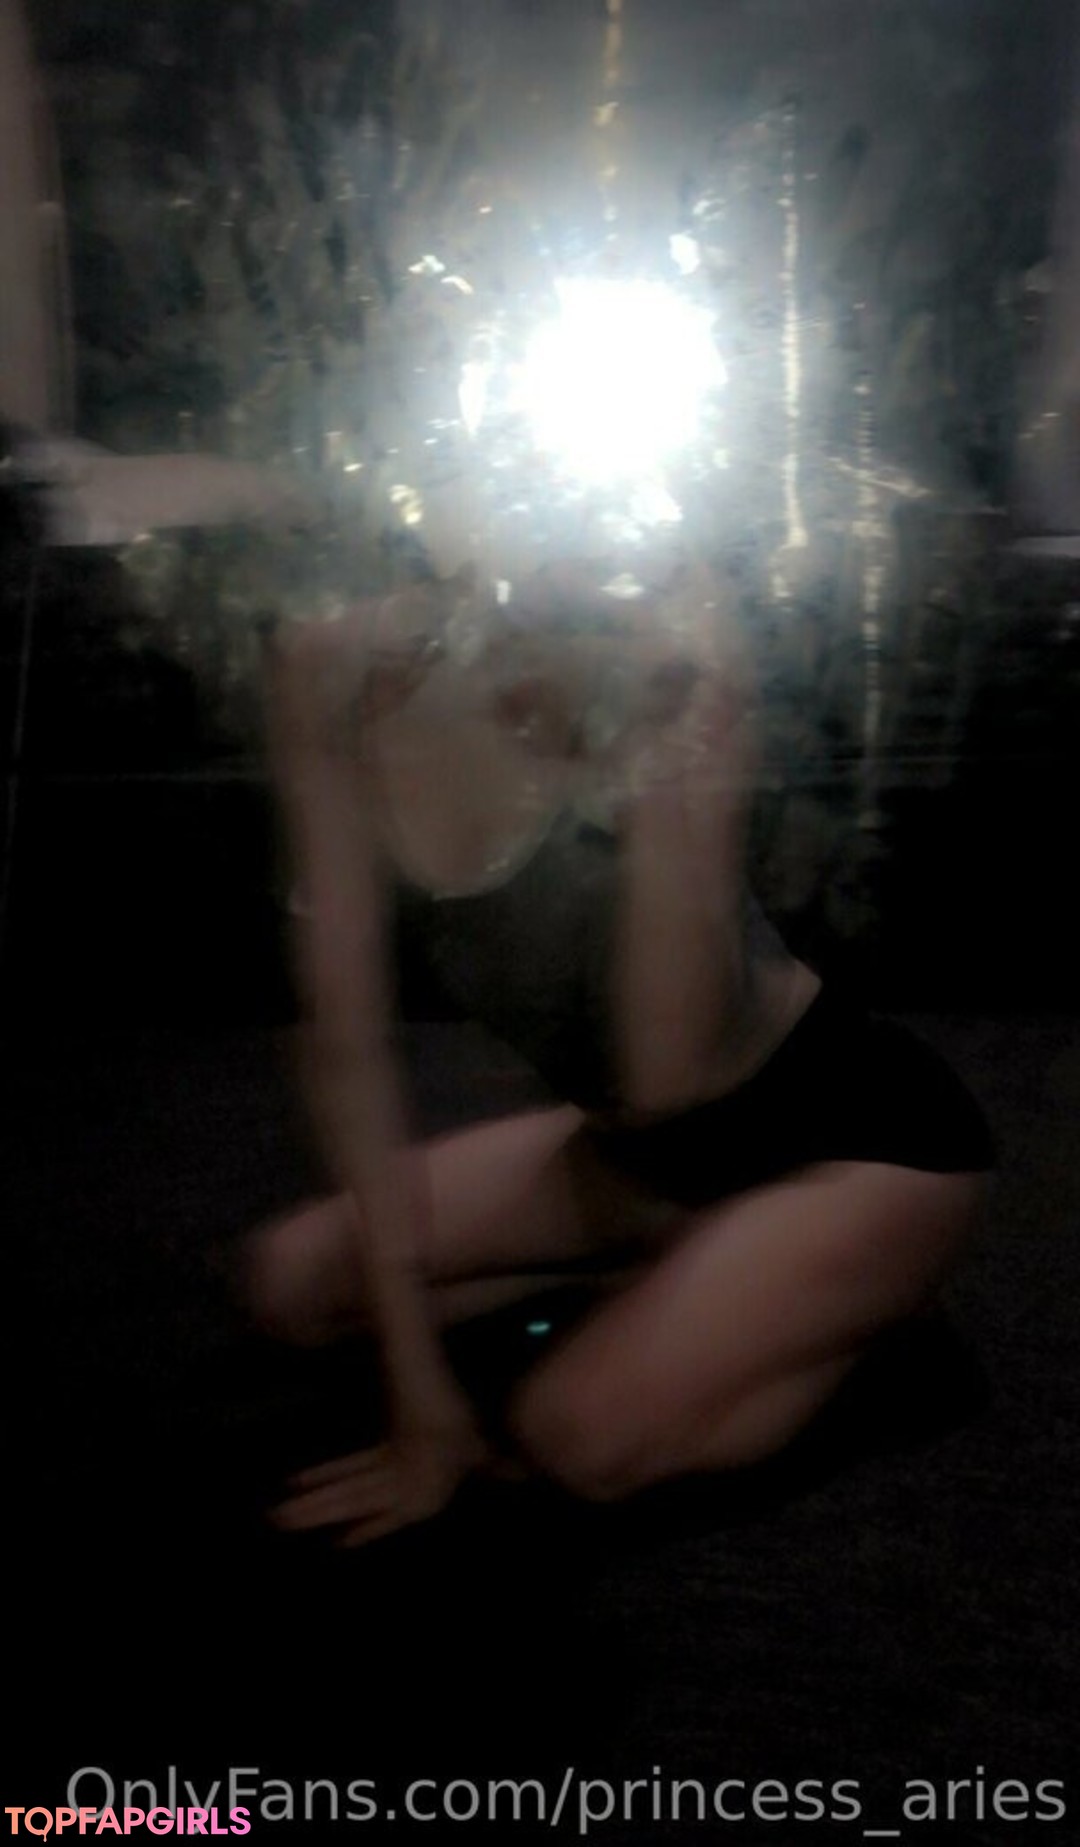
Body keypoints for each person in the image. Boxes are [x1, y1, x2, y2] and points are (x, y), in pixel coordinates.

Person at [250, 559, 993, 1546]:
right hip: (631, 1157)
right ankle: (705, 1267)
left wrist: (655, 748)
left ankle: (865, 1316)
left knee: (572, 1436)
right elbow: (345, 1043)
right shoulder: (329, 663)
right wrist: (417, 1393)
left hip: (854, 1138)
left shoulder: (664, 652)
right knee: (293, 1283)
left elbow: (666, 1073)